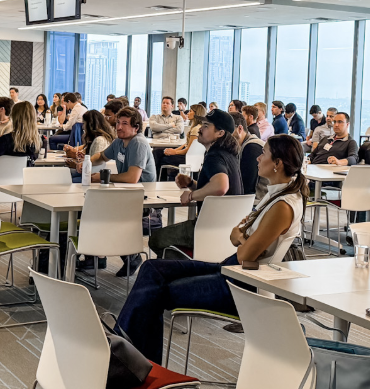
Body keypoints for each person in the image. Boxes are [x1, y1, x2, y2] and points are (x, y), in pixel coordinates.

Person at [117, 135, 307, 361]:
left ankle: (127, 357)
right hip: (231, 269)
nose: (257, 157)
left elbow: (244, 250)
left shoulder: (283, 206)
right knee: (151, 268)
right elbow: (236, 233)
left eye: (263, 153)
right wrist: (241, 235)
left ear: (277, 163)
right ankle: (124, 348)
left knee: (153, 292)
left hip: (243, 285)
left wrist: (241, 236)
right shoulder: (276, 195)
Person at [148, 109, 243, 256]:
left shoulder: (214, 156)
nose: (200, 129)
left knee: (156, 239)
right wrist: (191, 184)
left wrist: (191, 196)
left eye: (206, 126)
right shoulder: (230, 155)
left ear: (220, 133)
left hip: (208, 226)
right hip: (227, 228)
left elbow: (221, 187)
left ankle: (189, 268)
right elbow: (214, 190)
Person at [93, 107, 157, 182]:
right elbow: (102, 157)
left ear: (136, 128)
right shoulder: (118, 141)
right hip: (126, 188)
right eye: (118, 122)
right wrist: (86, 162)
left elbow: (132, 178)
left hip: (143, 190)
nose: (119, 127)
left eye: (124, 123)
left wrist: (103, 176)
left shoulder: (138, 143)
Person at [63, 110, 116, 179]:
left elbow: (95, 165)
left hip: (91, 177)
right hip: (90, 174)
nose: (83, 127)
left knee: (64, 176)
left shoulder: (99, 140)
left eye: (84, 124)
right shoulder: (101, 139)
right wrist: (84, 159)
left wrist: (77, 165)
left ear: (89, 125)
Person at [158, 103, 205, 170]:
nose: (188, 113)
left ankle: (160, 179)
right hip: (192, 157)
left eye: (190, 111)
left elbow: (189, 149)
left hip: (189, 159)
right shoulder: (200, 127)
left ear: (196, 114)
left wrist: (174, 152)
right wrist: (174, 150)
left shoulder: (196, 129)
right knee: (159, 152)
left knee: (162, 157)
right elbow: (186, 145)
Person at [233, 111, 265, 198]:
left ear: (240, 129)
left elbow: (248, 186)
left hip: (257, 201)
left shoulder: (252, 147)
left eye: (228, 131)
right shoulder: (242, 145)